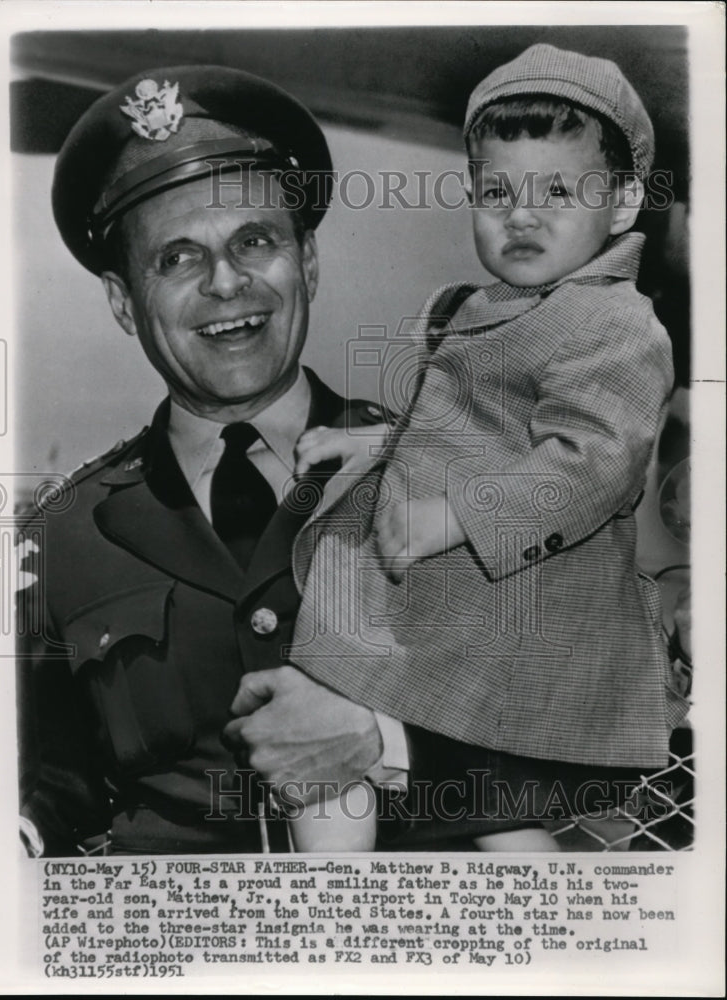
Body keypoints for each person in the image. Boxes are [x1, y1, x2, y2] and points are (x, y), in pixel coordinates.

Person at [17, 64, 509, 856]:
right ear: (121, 302)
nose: (226, 283)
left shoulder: (450, 479)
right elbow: (56, 778)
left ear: (307, 263)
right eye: (176, 258)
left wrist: (386, 745)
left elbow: (593, 737)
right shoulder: (63, 538)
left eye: (255, 241)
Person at [227, 44, 691, 851]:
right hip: (459, 600)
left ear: (622, 206)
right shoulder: (484, 308)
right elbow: (462, 432)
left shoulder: (616, 323)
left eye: (559, 191)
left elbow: (593, 463)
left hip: (518, 605)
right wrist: (374, 441)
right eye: (497, 191)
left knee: (364, 731)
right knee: (482, 809)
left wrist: (452, 517)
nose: (522, 213)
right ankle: (342, 916)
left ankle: (329, 919)